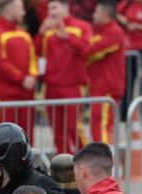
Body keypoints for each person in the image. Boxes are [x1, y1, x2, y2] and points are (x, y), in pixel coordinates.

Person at [37, 0, 90, 155]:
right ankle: (65, 170)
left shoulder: (81, 27)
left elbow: (87, 51)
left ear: (66, 8)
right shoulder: (47, 29)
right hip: (51, 86)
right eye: (48, 9)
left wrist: (67, 37)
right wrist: (41, 33)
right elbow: (37, 53)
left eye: (54, 7)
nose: (50, 12)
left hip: (73, 86)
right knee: (58, 132)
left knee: (75, 128)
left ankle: (89, 161)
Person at [0, 0, 38, 142]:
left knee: (26, 140)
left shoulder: (24, 34)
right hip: (4, 97)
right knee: (2, 140)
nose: (24, 12)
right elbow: (0, 65)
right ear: (9, 8)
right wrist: (23, 79)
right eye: (20, 8)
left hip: (26, 96)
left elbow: (33, 58)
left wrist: (33, 76)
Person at [86, 0, 125, 145]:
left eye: (96, 11)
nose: (93, 14)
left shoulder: (114, 32)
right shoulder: (100, 31)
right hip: (99, 86)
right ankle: (101, 160)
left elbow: (90, 51)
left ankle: (103, 162)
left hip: (107, 87)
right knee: (97, 125)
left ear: (105, 13)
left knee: (102, 126)